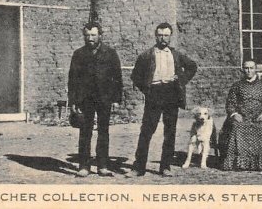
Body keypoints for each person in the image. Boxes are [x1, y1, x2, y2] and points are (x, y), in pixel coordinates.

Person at [127, 22, 197, 177]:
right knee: (147, 130)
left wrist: (181, 79)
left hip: (172, 93)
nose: (163, 38)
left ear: (170, 36)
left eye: (166, 35)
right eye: (160, 35)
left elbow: (192, 66)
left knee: (170, 131)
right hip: (154, 93)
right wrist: (147, 89)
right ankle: (138, 167)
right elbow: (135, 76)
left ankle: (165, 167)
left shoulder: (176, 54)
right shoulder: (146, 55)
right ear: (156, 36)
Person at [67, 22, 123, 177]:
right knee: (85, 132)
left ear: (100, 35)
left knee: (103, 132)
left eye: (93, 35)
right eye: (87, 35)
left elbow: (117, 77)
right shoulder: (79, 54)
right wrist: (73, 101)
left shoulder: (110, 53)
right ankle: (84, 166)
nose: (90, 38)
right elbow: (72, 79)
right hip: (85, 99)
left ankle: (102, 165)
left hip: (104, 98)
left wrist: (116, 99)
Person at [219, 59, 262, 172]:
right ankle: (238, 163)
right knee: (236, 126)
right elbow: (230, 103)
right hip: (242, 116)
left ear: (255, 69)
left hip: (259, 116)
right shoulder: (237, 86)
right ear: (242, 69)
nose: (248, 71)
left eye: (251, 68)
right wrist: (234, 114)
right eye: (246, 68)